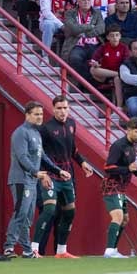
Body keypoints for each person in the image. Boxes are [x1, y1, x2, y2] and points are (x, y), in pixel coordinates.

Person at [33, 96, 98, 259]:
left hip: (67, 176)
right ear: (53, 109)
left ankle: (61, 251)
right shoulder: (45, 129)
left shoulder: (71, 124)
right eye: (59, 108)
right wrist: (43, 174)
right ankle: (34, 250)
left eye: (65, 108)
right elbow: (39, 154)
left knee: (69, 213)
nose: (63, 111)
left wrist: (82, 163)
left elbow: (73, 149)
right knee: (48, 210)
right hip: (51, 176)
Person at [4, 102, 67, 259]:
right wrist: (35, 171)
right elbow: (22, 156)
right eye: (36, 114)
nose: (40, 117)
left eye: (41, 114)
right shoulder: (21, 133)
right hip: (20, 179)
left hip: (32, 181)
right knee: (21, 212)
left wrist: (58, 171)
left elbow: (42, 157)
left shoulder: (36, 133)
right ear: (27, 115)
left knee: (29, 216)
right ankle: (9, 247)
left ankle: (26, 250)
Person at [99, 118, 137, 258]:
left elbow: (129, 167)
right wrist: (127, 168)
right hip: (111, 186)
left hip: (121, 187)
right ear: (129, 130)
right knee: (118, 216)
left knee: (125, 219)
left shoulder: (132, 146)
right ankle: (108, 251)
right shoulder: (118, 145)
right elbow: (108, 167)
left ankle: (113, 249)